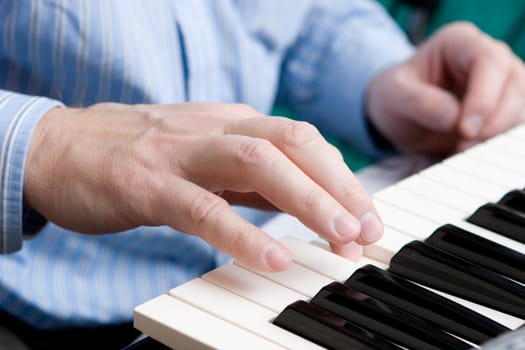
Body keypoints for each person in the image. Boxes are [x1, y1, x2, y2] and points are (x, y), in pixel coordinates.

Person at [1, 0, 524, 349]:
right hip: (38, 310)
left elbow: (297, 15)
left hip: (261, 279)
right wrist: (46, 143)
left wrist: (377, 79)